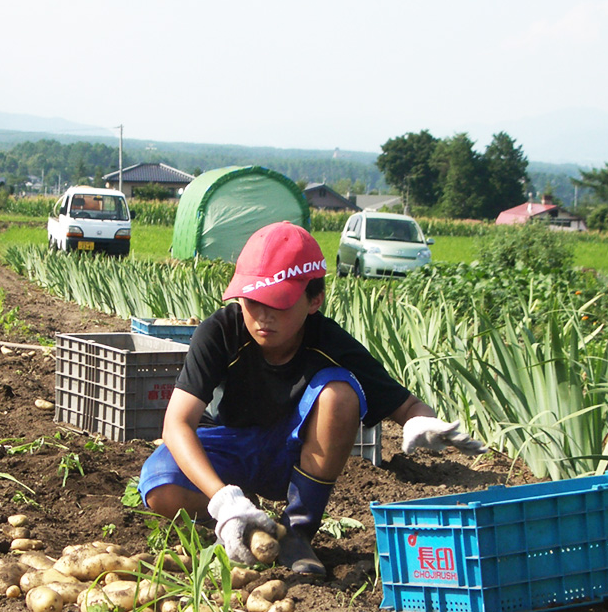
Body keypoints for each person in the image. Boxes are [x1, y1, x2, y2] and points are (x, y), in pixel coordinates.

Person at [137, 221, 485, 576]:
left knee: (339, 393)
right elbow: (177, 422)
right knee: (159, 485)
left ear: (314, 300)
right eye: (251, 301)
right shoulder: (220, 331)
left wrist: (421, 421)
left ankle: (297, 530)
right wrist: (223, 500)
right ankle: (242, 522)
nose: (262, 316)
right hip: (226, 446)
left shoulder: (331, 343)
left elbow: (407, 405)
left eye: (278, 303)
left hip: (292, 456)